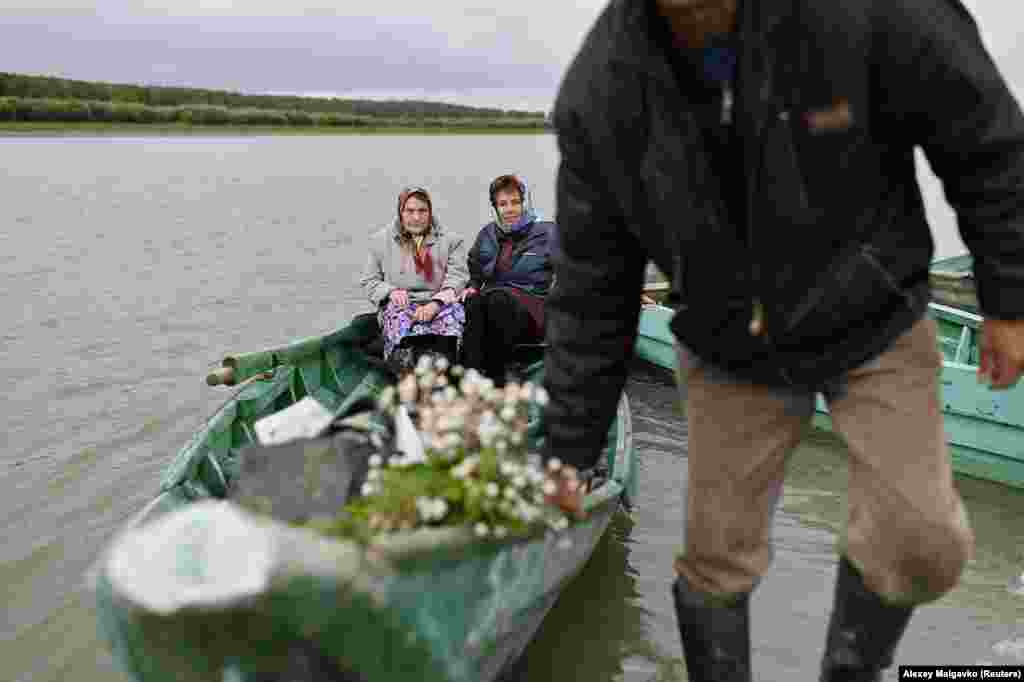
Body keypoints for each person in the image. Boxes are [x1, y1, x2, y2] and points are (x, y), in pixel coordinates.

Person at [542, 1, 1024, 680]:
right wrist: (570, 446)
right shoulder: (603, 88)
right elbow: (593, 284)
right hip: (727, 341)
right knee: (717, 563)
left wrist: (1009, 300)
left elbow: (986, 139)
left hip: (874, 316)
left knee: (923, 543)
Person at [359, 186, 469, 371]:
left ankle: (446, 367)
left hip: (439, 303)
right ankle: (403, 369)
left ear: (430, 212)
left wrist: (435, 304)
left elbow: (458, 278)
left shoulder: (452, 241)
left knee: (453, 316)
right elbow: (369, 281)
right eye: (409, 211)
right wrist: (391, 291)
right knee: (398, 319)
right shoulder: (380, 241)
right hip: (402, 304)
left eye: (422, 211)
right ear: (400, 212)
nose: (416, 217)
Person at [460, 175, 555, 384]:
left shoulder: (547, 232)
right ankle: (470, 379)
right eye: (503, 204)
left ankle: (498, 379)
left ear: (524, 203)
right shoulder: (487, 234)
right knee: (473, 302)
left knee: (497, 300)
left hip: (531, 306)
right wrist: (472, 286)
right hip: (492, 298)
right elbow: (475, 270)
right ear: (495, 207)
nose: (510, 209)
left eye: (515, 202)